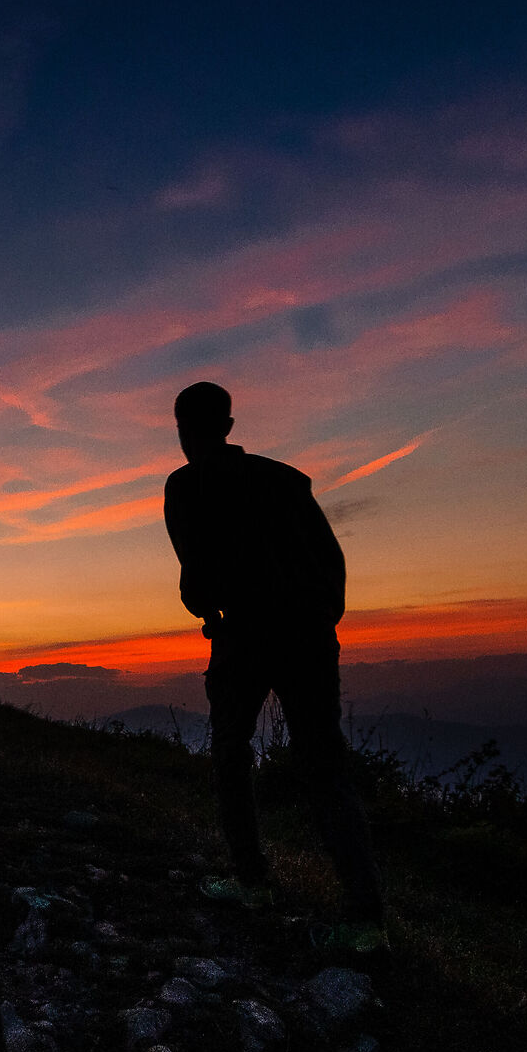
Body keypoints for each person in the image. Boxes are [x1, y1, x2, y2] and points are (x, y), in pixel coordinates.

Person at [162, 380, 386, 951]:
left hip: (244, 635)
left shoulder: (187, 486)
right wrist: (320, 620)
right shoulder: (286, 480)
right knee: (325, 765)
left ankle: (252, 881)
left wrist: (211, 611)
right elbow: (331, 559)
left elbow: (196, 574)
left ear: (184, 429)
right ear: (230, 425)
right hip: (308, 634)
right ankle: (365, 918)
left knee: (231, 751)